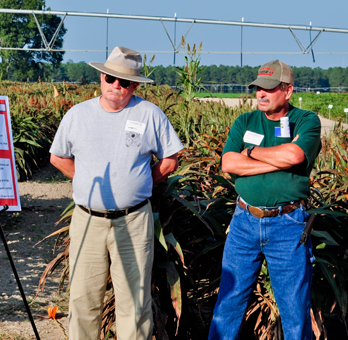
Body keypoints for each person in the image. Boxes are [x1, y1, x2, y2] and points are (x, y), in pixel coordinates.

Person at [49, 46, 184, 339]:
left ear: (135, 85)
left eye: (124, 82)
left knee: (134, 302)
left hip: (133, 220)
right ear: (101, 76)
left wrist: (143, 181)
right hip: (88, 219)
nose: (115, 86)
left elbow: (171, 159)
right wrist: (84, 178)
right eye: (110, 78)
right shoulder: (78, 114)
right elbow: (58, 157)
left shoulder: (149, 114)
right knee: (83, 299)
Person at [210, 60, 322, 339]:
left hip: (288, 223)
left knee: (295, 310)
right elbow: (228, 163)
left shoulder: (306, 120)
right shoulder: (245, 121)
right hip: (243, 222)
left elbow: (295, 157)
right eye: (258, 87)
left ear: (288, 90)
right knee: (228, 303)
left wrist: (250, 153)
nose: (261, 93)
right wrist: (278, 159)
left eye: (269, 88)